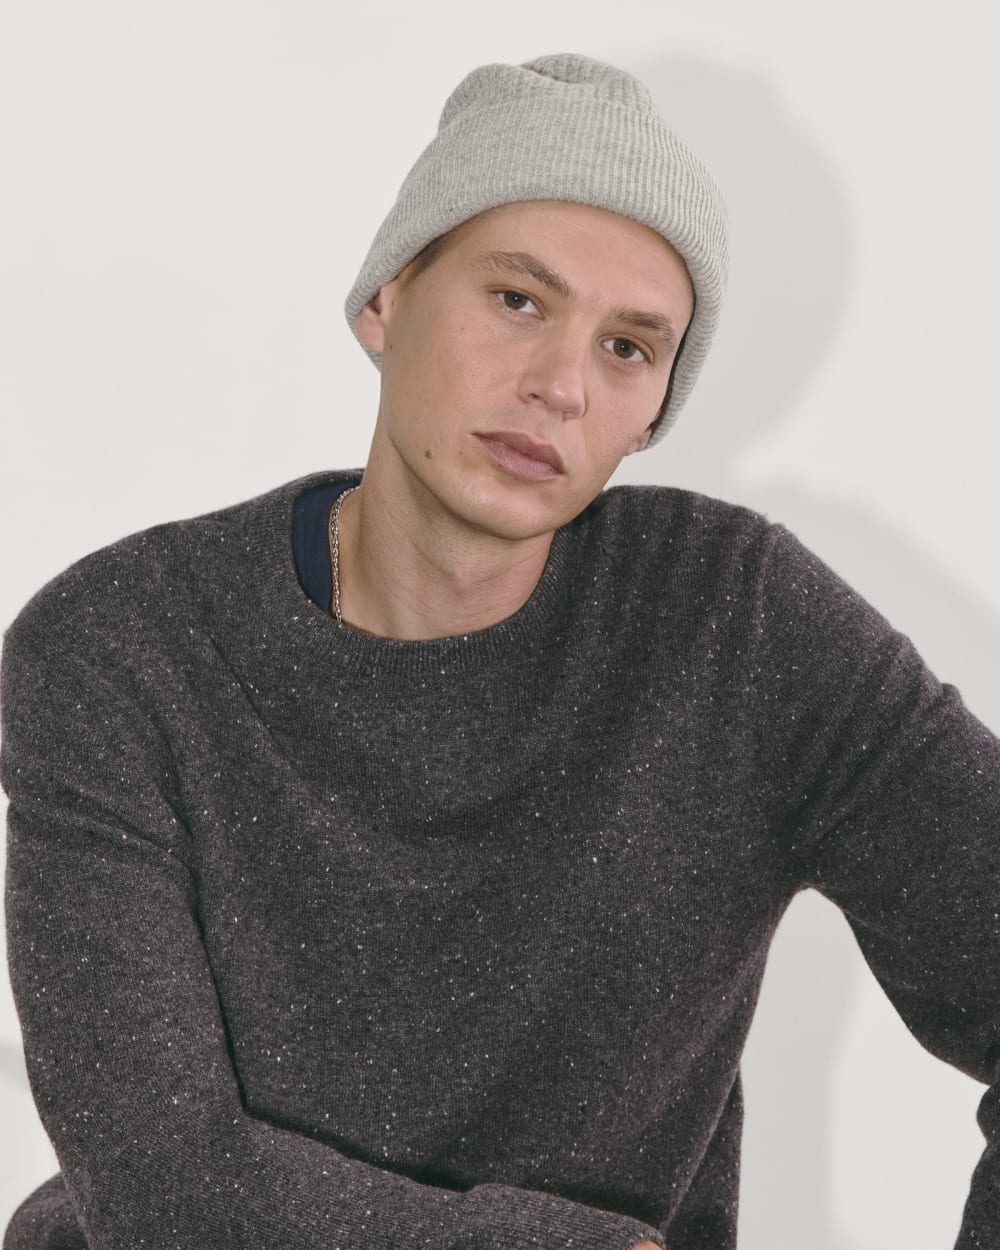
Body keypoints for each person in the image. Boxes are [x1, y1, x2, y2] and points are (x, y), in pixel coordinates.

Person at [2, 52, 998, 1250]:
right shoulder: (117, 650)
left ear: (652, 412)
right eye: (519, 300)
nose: (561, 385)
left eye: (627, 347)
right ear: (386, 299)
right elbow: (169, 1184)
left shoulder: (737, 626)